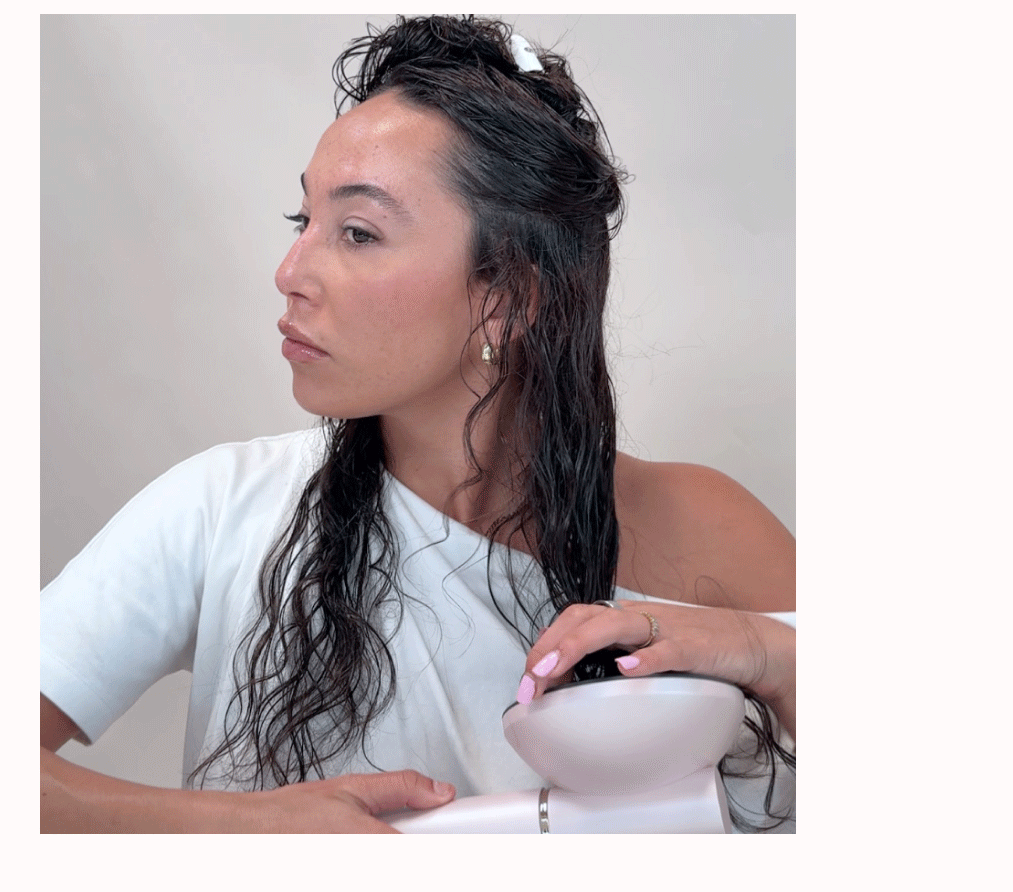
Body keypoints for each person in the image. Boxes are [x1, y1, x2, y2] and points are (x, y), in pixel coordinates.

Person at [40, 15, 795, 833]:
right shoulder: (221, 511)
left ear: (509, 296)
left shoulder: (706, 531)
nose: (290, 272)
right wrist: (245, 828)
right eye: (305, 224)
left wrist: (774, 658)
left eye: (358, 233)